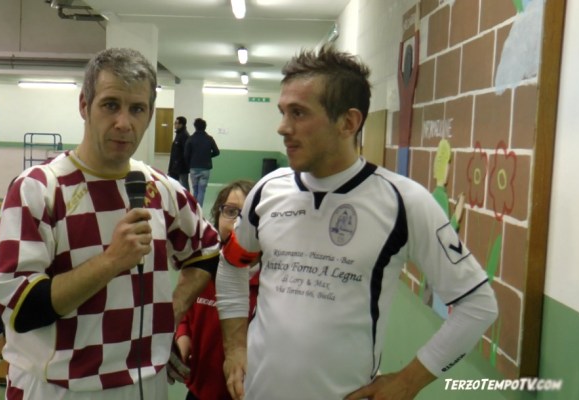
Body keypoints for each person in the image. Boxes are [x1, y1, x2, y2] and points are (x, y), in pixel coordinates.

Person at [215, 46, 498, 400]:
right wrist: (235, 347)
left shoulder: (404, 202)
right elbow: (232, 265)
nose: (283, 127)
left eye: (298, 113)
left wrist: (408, 381)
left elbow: (478, 304)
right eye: (283, 112)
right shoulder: (267, 191)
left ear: (348, 123)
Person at [0, 48, 220, 400]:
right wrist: (112, 260)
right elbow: (21, 308)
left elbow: (207, 251)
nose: (124, 123)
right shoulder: (38, 188)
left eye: (137, 109)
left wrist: (171, 312)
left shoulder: (161, 189)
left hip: (144, 384)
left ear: (150, 115)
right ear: (84, 106)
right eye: (111, 105)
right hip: (59, 388)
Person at [171, 180, 259, 400]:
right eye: (230, 211)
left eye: (249, 215)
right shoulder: (203, 271)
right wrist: (183, 337)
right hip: (198, 391)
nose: (237, 224)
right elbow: (187, 316)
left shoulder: (271, 283)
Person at [184, 118, 219, 206]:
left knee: (195, 190)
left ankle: (194, 209)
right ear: (205, 127)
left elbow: (186, 155)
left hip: (193, 167)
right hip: (205, 168)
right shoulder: (209, 139)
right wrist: (208, 156)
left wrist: (189, 164)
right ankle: (199, 209)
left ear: (195, 127)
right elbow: (216, 152)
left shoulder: (191, 139)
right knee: (202, 191)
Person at [168, 116, 191, 190]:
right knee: (174, 184)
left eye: (176, 123)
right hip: (175, 166)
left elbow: (186, 152)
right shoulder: (178, 134)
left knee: (184, 185)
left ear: (181, 124)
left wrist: (178, 163)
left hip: (181, 167)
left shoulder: (184, 135)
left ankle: (186, 197)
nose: (174, 124)